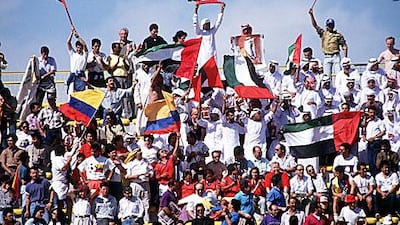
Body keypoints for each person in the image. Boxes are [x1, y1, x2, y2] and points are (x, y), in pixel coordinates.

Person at [308, 8, 348, 76]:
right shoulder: (323, 33)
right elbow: (315, 26)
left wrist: (345, 58)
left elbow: (344, 46)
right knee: (326, 75)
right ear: (326, 26)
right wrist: (311, 15)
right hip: (327, 56)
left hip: (336, 56)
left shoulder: (338, 35)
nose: (330, 27)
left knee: (339, 74)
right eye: (329, 25)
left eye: (331, 25)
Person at [124, 148, 153, 223]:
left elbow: (151, 172)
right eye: (138, 152)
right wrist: (134, 176)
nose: (140, 153)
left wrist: (149, 175)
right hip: (135, 184)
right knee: (135, 202)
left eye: (140, 151)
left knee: (146, 204)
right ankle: (135, 221)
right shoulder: (131, 164)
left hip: (145, 183)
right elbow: (127, 176)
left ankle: (146, 221)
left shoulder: (146, 162)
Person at [66, 29, 88, 94]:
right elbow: (68, 42)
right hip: (73, 75)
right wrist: (72, 33)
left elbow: (85, 45)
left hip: (81, 76)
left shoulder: (85, 55)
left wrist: (78, 37)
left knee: (81, 94)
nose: (79, 49)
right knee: (71, 94)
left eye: (80, 48)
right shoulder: (73, 54)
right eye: (77, 48)